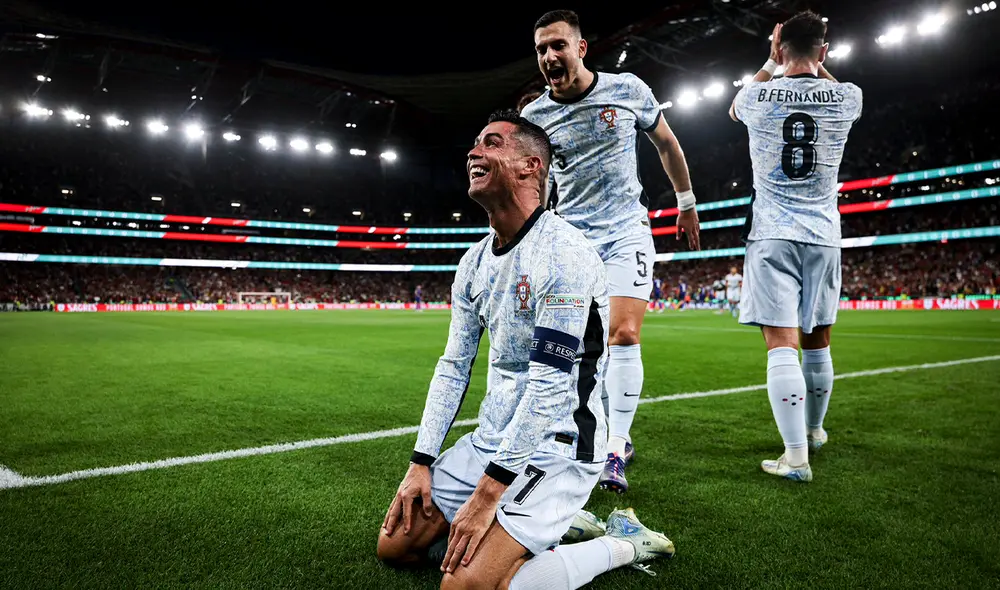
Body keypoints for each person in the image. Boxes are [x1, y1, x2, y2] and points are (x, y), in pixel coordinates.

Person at [377, 109, 675, 589]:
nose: (474, 151)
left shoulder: (564, 254)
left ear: (530, 166)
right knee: (395, 546)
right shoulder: (473, 262)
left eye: (491, 143)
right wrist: (421, 462)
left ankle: (621, 543)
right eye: (475, 143)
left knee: (465, 586)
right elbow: (454, 366)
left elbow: (548, 387)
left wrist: (489, 492)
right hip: (493, 439)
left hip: (559, 445)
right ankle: (548, 524)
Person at [520, 9, 701, 493]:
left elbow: (666, 143)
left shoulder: (627, 90)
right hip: (571, 242)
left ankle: (616, 448)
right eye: (541, 49)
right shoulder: (534, 119)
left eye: (558, 45)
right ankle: (586, 434)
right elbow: (533, 188)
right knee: (577, 348)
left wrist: (686, 203)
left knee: (622, 334)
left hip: (624, 231)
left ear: (580, 48)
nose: (549, 56)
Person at [729, 11, 862, 482]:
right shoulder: (848, 97)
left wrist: (771, 62)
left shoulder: (757, 96)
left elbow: (734, 109)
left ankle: (795, 456)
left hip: (772, 235)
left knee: (781, 346)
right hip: (824, 235)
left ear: (780, 46)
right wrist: (814, 63)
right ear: (824, 51)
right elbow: (827, 81)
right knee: (818, 339)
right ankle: (816, 430)